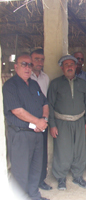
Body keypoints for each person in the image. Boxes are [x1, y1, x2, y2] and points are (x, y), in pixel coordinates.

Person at [3, 52, 49, 200]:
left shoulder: (34, 84)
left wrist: (43, 120)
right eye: (24, 64)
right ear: (16, 67)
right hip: (20, 134)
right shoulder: (10, 85)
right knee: (21, 171)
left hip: (37, 133)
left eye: (30, 64)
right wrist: (37, 122)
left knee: (36, 168)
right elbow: (17, 110)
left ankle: (34, 195)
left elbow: (45, 103)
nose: (27, 68)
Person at [48, 55, 86, 190]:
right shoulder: (55, 84)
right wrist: (52, 125)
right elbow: (49, 105)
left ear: (76, 66)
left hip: (79, 121)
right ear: (62, 68)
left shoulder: (82, 83)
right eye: (67, 65)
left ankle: (78, 176)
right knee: (63, 150)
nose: (70, 67)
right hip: (62, 122)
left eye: (72, 64)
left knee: (79, 150)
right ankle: (61, 178)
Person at [30, 49, 52, 191]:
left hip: (43, 121)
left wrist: (44, 120)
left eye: (42, 59)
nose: (39, 62)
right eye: (36, 59)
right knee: (30, 153)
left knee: (42, 153)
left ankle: (41, 180)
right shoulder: (27, 77)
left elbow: (47, 101)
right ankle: (30, 182)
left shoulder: (45, 78)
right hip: (30, 122)